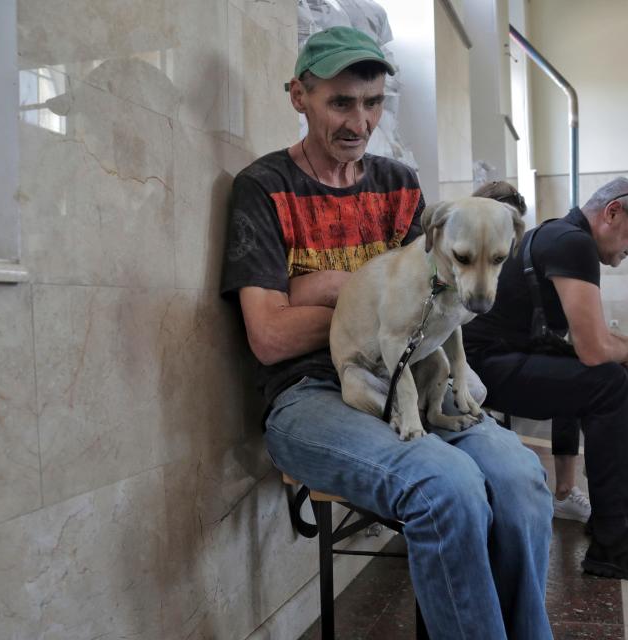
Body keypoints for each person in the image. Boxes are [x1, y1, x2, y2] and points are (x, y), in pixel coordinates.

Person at [220, 27, 553, 639]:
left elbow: (433, 306)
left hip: (412, 380)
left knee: (519, 477)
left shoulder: (399, 186)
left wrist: (332, 285)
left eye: (372, 103)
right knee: (446, 487)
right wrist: (372, 307)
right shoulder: (264, 188)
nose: (360, 121)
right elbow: (268, 337)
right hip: (309, 395)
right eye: (340, 103)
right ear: (299, 96)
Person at [464, 178, 628, 583]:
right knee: (605, 380)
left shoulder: (561, 234)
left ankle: (622, 510)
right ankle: (612, 542)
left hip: (500, 356)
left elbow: (592, 336)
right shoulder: (572, 243)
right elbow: (595, 348)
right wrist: (627, 355)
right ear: (612, 213)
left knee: (597, 375)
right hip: (484, 366)